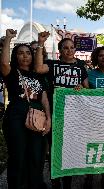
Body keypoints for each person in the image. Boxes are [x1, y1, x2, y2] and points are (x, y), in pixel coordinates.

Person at [34, 31, 89, 189]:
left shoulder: (80, 67)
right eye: (66, 48)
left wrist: (82, 89)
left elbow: (88, 90)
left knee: (69, 151)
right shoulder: (52, 64)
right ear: (60, 50)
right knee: (54, 150)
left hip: (74, 117)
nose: (69, 50)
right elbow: (38, 68)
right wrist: (41, 43)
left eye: (72, 47)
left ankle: (67, 183)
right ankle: (55, 181)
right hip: (55, 114)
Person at [1, 29, 51, 189]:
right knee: (18, 154)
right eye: (20, 53)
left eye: (28, 53)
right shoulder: (11, 72)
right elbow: (3, 63)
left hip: (38, 116)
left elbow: (43, 98)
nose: (25, 56)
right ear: (15, 56)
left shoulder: (38, 75)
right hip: (16, 115)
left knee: (37, 154)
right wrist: (8, 39)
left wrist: (48, 118)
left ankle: (35, 184)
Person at [83, 45, 104, 189]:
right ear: (96, 58)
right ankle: (89, 178)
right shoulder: (89, 74)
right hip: (93, 118)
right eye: (100, 55)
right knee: (91, 148)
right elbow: (84, 93)